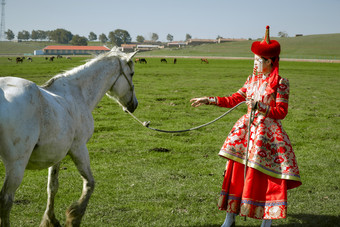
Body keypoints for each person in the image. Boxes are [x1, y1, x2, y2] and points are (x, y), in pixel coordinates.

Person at [190, 26, 302, 227]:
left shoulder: (281, 83)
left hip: (267, 136)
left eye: (258, 60)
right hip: (246, 132)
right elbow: (235, 99)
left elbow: (281, 112)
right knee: (234, 172)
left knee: (266, 176)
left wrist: (260, 106)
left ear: (269, 61)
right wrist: (209, 100)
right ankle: (230, 217)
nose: (255, 63)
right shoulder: (251, 80)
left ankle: (266, 221)